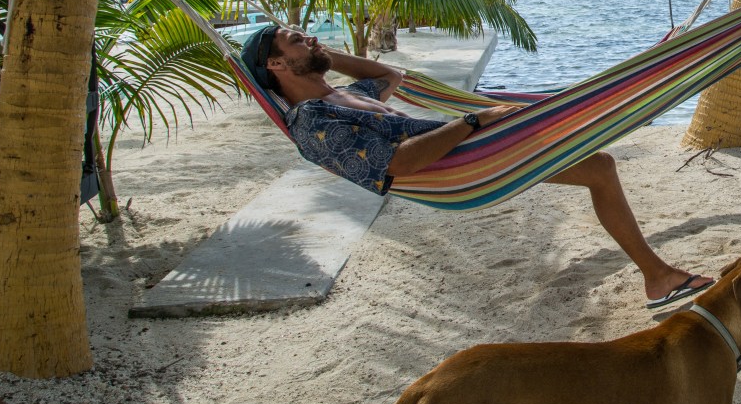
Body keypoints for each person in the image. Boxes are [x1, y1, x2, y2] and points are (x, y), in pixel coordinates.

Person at [241, 27, 715, 309]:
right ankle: (657, 274)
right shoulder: (313, 121)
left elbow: (391, 75)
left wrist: (317, 55)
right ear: (277, 63)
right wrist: (472, 121)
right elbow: (398, 163)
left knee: (598, 164)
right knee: (593, 146)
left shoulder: (342, 94)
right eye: (296, 40)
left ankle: (656, 276)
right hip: (456, 165)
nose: (310, 38)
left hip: (470, 151)